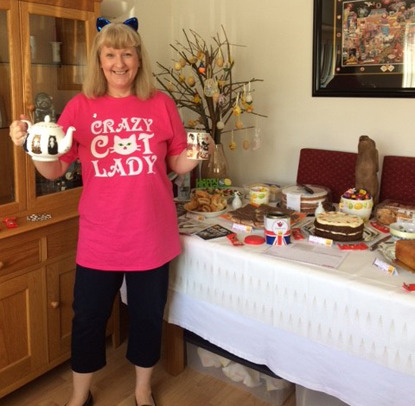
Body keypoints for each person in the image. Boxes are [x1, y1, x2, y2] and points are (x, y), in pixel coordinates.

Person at [10, 17, 213, 406]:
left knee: (148, 317)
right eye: (110, 54)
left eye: (127, 53)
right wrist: (32, 148)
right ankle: (79, 396)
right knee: (87, 318)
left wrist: (197, 153)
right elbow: (54, 168)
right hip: (100, 235)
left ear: (138, 59)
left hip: (151, 234)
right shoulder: (80, 107)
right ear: (99, 61)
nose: (119, 62)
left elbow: (174, 161)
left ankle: (141, 390)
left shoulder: (161, 103)